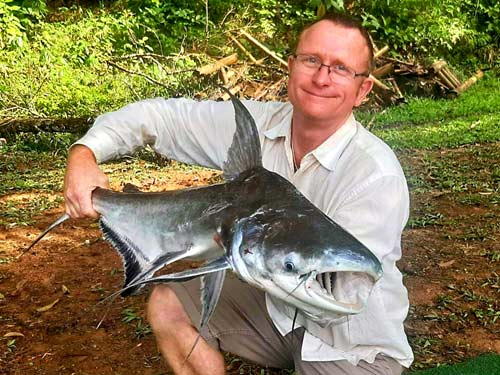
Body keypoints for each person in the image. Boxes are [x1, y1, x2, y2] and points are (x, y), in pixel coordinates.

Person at [64, 12, 413, 375]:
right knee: (169, 305)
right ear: (291, 66)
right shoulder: (258, 124)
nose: (322, 77)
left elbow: (337, 296)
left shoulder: (376, 174)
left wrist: (233, 249)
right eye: (311, 60)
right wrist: (84, 153)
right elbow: (161, 118)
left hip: (351, 342)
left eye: (341, 68)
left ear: (362, 90)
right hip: (275, 312)